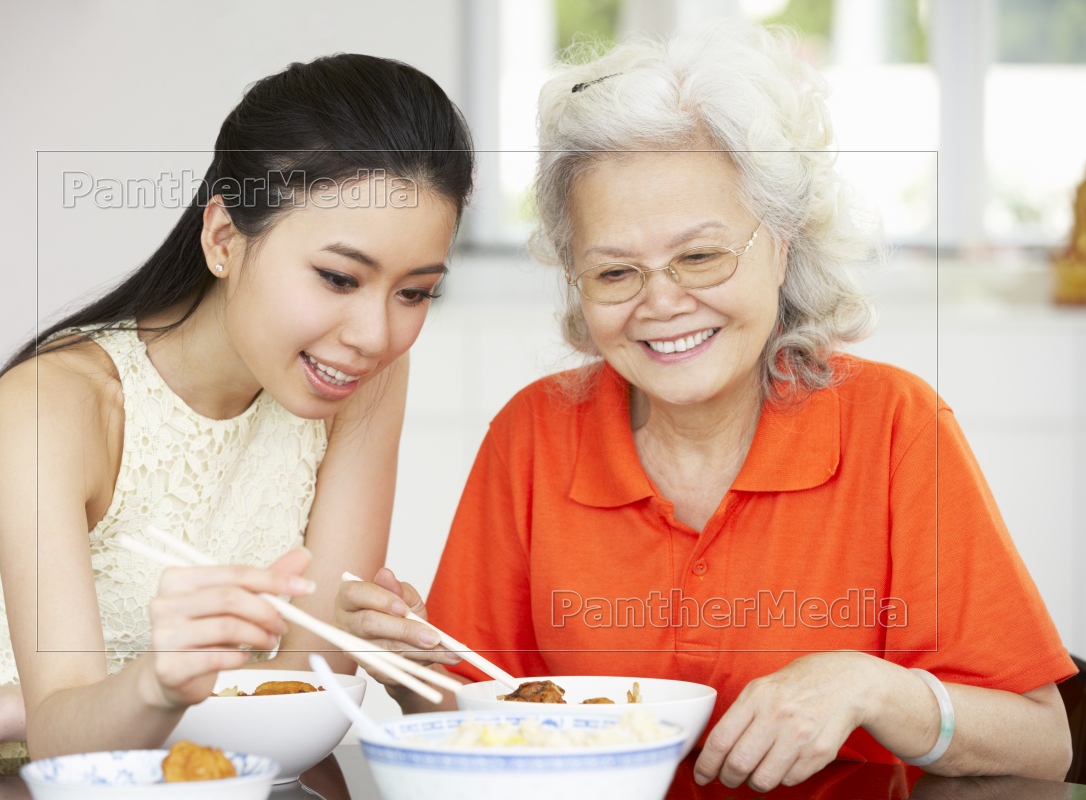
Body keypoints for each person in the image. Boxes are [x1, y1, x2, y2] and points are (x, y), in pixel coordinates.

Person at [335, 23, 1076, 792]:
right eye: (616, 272)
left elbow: (1043, 742)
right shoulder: (534, 434)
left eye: (700, 256)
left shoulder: (893, 426)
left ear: (782, 244)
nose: (662, 303)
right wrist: (407, 667)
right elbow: (472, 717)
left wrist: (871, 686)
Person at [0, 53, 473, 766]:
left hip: (216, 778)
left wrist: (17, 708)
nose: (376, 335)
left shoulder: (363, 377)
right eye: (338, 277)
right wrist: (115, 696)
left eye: (415, 292)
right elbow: (67, 748)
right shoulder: (56, 406)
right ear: (225, 238)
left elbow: (306, 696)